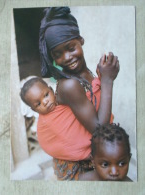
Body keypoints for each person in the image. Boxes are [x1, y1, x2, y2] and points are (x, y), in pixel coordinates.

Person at [38, 7, 120, 180]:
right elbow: (100, 131)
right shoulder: (69, 85)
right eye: (57, 54)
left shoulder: (85, 74)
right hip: (76, 167)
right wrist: (107, 81)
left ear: (80, 40)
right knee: (117, 178)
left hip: (92, 157)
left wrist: (103, 79)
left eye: (70, 48)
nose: (67, 57)